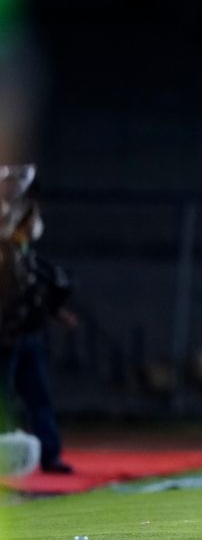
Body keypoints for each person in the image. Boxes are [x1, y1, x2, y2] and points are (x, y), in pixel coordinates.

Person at [1, 165, 75, 474]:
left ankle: (49, 453)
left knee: (39, 397)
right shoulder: (6, 252)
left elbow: (34, 291)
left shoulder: (26, 254)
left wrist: (56, 312)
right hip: (5, 339)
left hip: (28, 336)